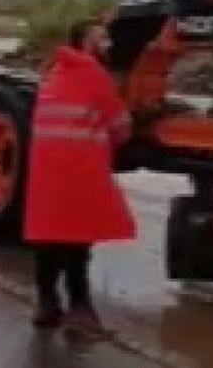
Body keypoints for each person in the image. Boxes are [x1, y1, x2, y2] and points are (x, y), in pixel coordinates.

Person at [23, 19, 135, 333]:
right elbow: (120, 126)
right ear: (88, 43)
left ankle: (46, 304)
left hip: (45, 170)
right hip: (80, 166)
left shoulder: (53, 72)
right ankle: (80, 307)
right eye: (103, 38)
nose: (109, 43)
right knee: (77, 240)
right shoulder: (95, 75)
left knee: (47, 237)